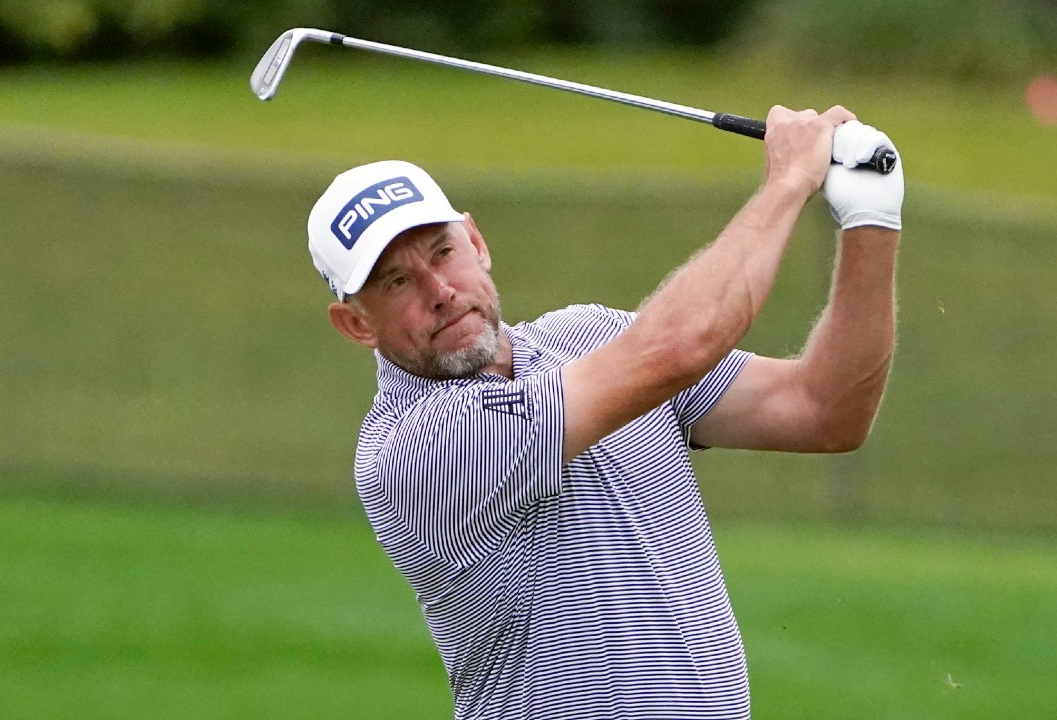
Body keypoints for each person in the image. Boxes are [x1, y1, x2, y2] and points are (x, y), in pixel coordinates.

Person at [306, 105, 903, 719]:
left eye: (441, 252)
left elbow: (824, 409)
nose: (440, 292)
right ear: (356, 325)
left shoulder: (588, 337)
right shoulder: (414, 450)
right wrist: (787, 183)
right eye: (397, 283)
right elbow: (675, 347)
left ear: (476, 241)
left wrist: (872, 219)